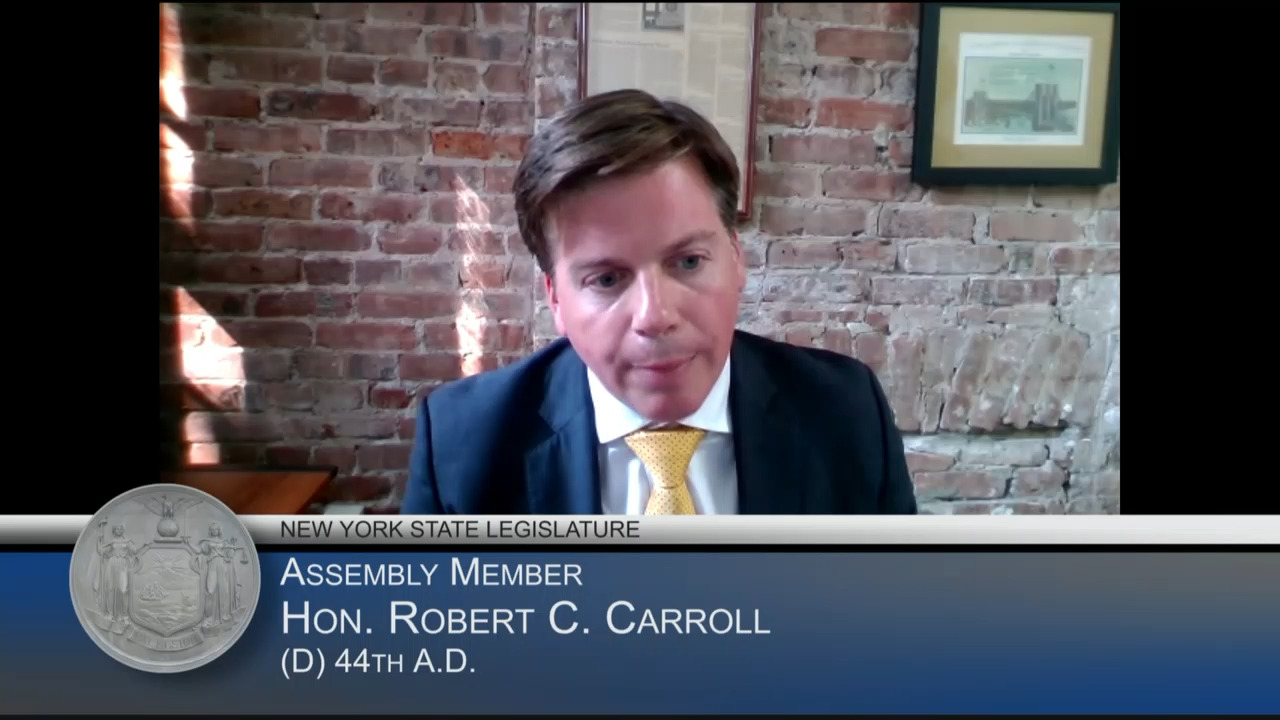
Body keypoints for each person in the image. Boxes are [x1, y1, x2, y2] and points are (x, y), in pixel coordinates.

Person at [401, 89, 916, 515]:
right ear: (555, 298)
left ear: (736, 259)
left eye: (688, 262)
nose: (655, 316)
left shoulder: (847, 414)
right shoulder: (462, 444)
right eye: (606, 279)